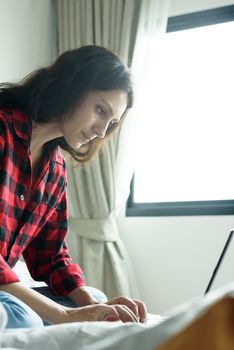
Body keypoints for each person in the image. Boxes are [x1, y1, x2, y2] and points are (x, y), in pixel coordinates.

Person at [0, 45, 147, 328]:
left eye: (111, 122)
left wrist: (96, 308)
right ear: (72, 86)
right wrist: (65, 315)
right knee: (24, 318)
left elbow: (51, 257)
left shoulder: (54, 168)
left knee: (95, 296)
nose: (101, 132)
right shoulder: (3, 130)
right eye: (100, 110)